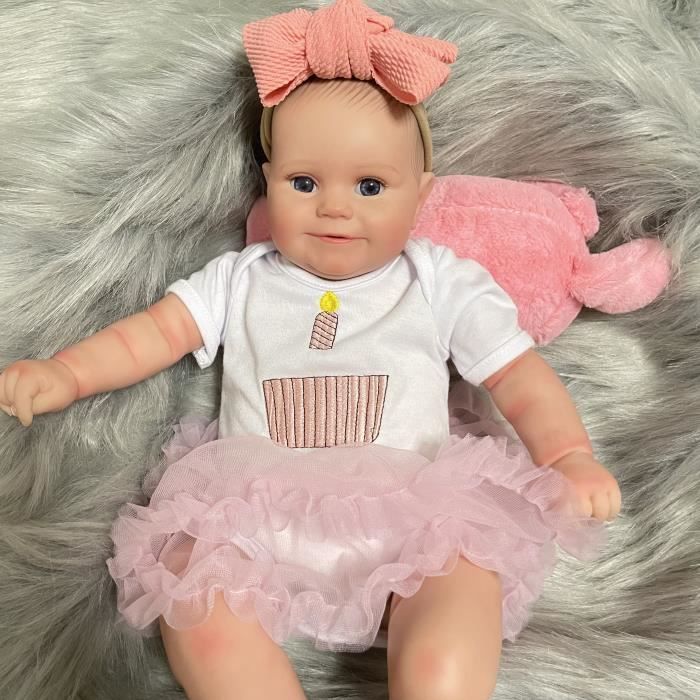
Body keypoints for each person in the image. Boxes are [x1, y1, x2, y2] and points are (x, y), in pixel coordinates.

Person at [0, 1, 621, 698]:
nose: (335, 207)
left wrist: (567, 455)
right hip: (255, 514)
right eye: (304, 183)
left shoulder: (437, 279)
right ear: (268, 183)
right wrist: (67, 372)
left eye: (369, 186)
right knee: (193, 593)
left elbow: (517, 374)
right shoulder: (240, 278)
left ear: (421, 196)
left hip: (413, 511)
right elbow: (153, 333)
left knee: (462, 577)